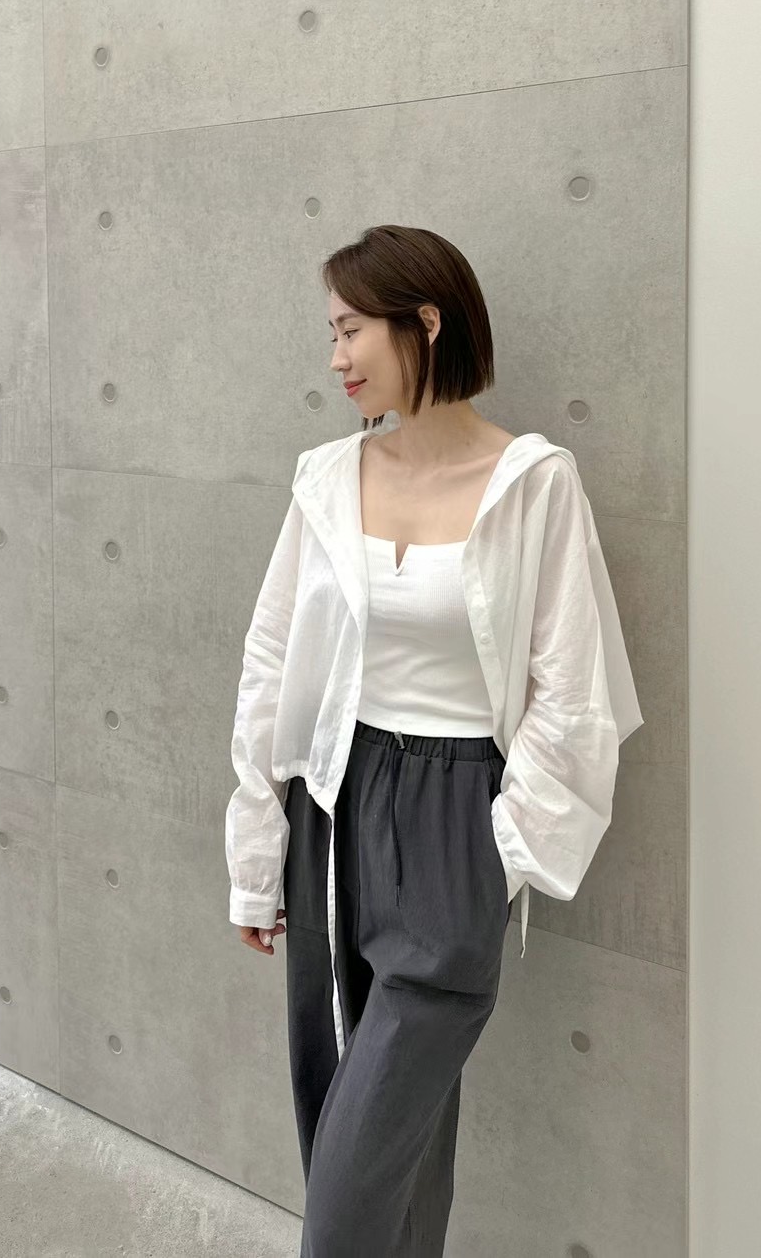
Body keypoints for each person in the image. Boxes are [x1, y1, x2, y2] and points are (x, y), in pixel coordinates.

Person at [225, 224, 643, 1257]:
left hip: (457, 814)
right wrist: (257, 853)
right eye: (331, 333)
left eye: (351, 329)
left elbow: (573, 689)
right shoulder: (327, 477)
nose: (336, 357)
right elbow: (271, 657)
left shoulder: (534, 482)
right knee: (373, 1139)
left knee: (347, 1196)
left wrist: (497, 857)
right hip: (333, 803)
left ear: (425, 321)